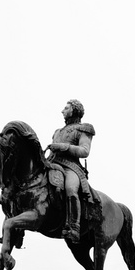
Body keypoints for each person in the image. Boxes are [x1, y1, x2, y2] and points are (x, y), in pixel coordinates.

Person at [45, 98, 93, 244]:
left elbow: (84, 151)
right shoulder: (57, 132)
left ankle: (74, 226)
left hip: (71, 167)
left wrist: (63, 147)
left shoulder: (84, 129)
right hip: (53, 164)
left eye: (66, 108)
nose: (62, 111)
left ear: (74, 110)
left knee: (71, 189)